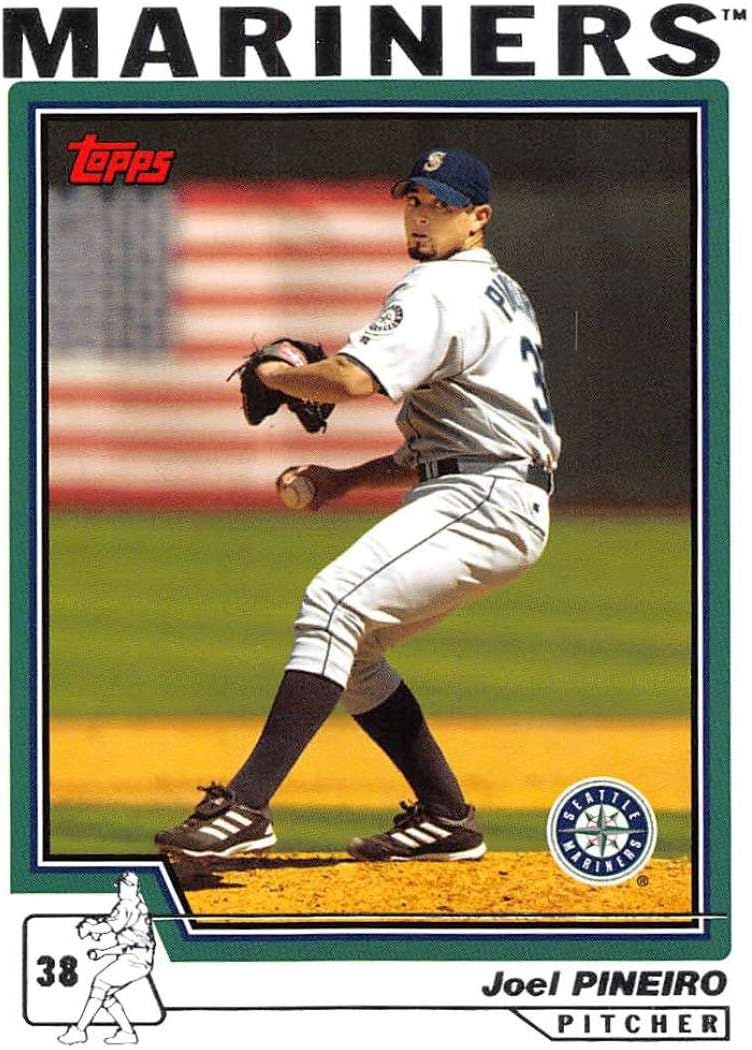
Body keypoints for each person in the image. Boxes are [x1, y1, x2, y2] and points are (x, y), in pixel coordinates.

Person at [156, 147, 561, 863]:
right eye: (414, 202)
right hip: (492, 491)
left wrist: (277, 374)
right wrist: (345, 481)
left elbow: (349, 379)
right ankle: (446, 816)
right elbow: (448, 441)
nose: (421, 217)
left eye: (440, 206)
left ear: (478, 218)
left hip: (486, 496)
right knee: (356, 651)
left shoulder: (439, 289)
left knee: (332, 604)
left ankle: (246, 807)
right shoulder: (501, 291)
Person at [58, 872, 155, 1045]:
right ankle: (127, 1032)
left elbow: (108, 927)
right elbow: (127, 945)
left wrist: (91, 927)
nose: (125, 888)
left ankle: (79, 1031)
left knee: (100, 983)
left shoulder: (128, 906)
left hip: (136, 959)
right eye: (123, 884)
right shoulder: (136, 906)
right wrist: (103, 952)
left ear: (137, 888)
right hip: (135, 956)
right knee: (105, 995)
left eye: (130, 885)